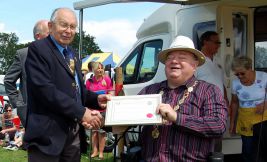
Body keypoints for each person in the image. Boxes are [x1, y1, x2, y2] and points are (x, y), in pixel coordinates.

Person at [24, 8, 110, 162]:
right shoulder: (38, 49)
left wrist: (95, 99)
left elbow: (77, 89)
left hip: (73, 136)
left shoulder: (72, 54)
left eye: (72, 26)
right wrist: (82, 112)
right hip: (47, 138)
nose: (68, 31)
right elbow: (46, 90)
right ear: (51, 26)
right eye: (64, 25)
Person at [138, 35, 228, 161]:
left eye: (181, 57)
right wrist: (107, 111)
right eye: (170, 58)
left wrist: (177, 117)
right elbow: (126, 115)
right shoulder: (150, 90)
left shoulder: (209, 91)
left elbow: (218, 125)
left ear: (194, 65)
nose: (174, 61)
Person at [4, 20, 50, 127]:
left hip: (53, 113)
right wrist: (18, 104)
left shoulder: (58, 55)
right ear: (38, 36)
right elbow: (8, 80)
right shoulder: (23, 54)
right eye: (49, 34)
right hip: (30, 112)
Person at [194, 31, 229, 152]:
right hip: (203, 108)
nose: (219, 45)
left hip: (219, 107)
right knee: (204, 141)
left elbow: (221, 82)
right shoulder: (196, 61)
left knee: (218, 141)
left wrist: (226, 101)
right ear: (205, 42)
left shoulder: (218, 60)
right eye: (217, 42)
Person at [229, 56, 267, 162]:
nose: (240, 76)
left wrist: (266, 104)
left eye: (242, 73)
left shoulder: (264, 77)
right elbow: (235, 103)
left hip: (263, 119)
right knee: (247, 150)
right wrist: (232, 123)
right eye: (237, 74)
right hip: (245, 120)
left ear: (250, 68)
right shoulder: (235, 83)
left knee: (262, 149)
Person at [85, 62, 113, 159]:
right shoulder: (89, 81)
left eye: (102, 68)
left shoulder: (107, 79)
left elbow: (111, 94)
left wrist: (107, 102)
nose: (100, 70)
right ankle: (94, 151)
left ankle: (101, 152)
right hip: (92, 111)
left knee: (102, 132)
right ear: (94, 70)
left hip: (103, 110)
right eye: (98, 68)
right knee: (93, 132)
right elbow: (86, 96)